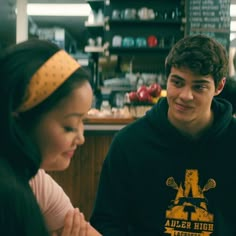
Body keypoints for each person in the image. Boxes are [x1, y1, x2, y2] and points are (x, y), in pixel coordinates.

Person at [90, 34, 236, 235]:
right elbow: (106, 222)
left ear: (219, 86)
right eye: (177, 82)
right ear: (167, 79)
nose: (185, 95)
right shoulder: (128, 144)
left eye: (199, 86)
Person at [0, 39, 101, 236]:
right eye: (69, 126)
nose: (81, 138)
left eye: (83, 122)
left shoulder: (33, 178)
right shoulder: (9, 197)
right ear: (20, 118)